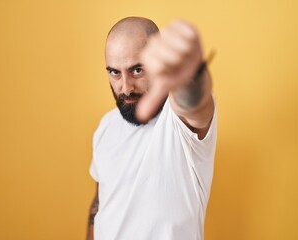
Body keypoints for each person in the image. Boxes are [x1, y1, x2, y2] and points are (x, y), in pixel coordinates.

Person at [86, 16, 217, 240]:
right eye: (115, 72)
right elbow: (99, 204)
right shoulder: (106, 126)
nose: (126, 88)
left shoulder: (179, 123)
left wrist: (191, 75)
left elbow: (194, 101)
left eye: (137, 70)